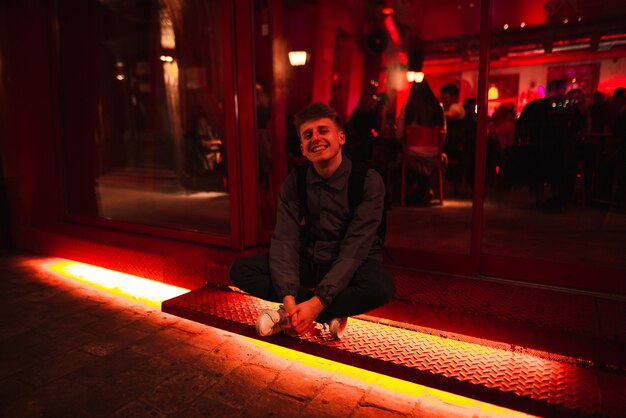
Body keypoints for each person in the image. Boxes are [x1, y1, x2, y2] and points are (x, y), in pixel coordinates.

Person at [229, 102, 395, 339]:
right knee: (241, 271)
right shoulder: (296, 181)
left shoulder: (368, 180)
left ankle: (297, 317)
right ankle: (308, 313)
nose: (316, 138)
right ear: (303, 149)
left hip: (353, 262)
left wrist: (318, 303)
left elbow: (355, 247)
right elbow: (284, 240)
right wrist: (289, 299)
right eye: (308, 135)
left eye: (323, 131)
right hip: (312, 258)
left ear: (341, 138)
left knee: (380, 287)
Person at [439, 84, 467, 183]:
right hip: (451, 148)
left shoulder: (457, 107)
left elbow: (451, 115)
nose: (442, 99)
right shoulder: (447, 109)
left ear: (454, 97)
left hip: (453, 148)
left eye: (445, 97)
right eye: (441, 96)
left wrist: (434, 112)